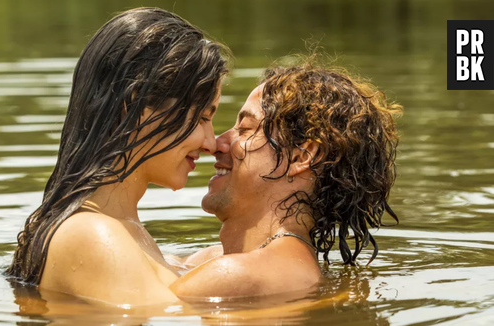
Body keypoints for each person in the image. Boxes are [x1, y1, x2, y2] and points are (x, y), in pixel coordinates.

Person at [6, 7, 230, 306]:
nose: (211, 143)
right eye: (202, 117)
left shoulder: (119, 228)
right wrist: (307, 303)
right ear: (135, 107)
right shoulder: (92, 235)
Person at [171, 61, 402, 298]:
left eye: (246, 128)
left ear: (300, 157)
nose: (216, 144)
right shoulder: (217, 259)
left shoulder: (236, 275)